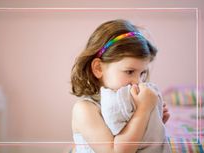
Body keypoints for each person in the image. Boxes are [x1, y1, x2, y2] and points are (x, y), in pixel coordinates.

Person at [70, 19, 170, 153]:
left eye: (142, 73)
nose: (138, 82)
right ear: (98, 68)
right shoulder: (85, 109)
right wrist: (144, 110)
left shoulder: (126, 103)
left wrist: (154, 122)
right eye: (129, 72)